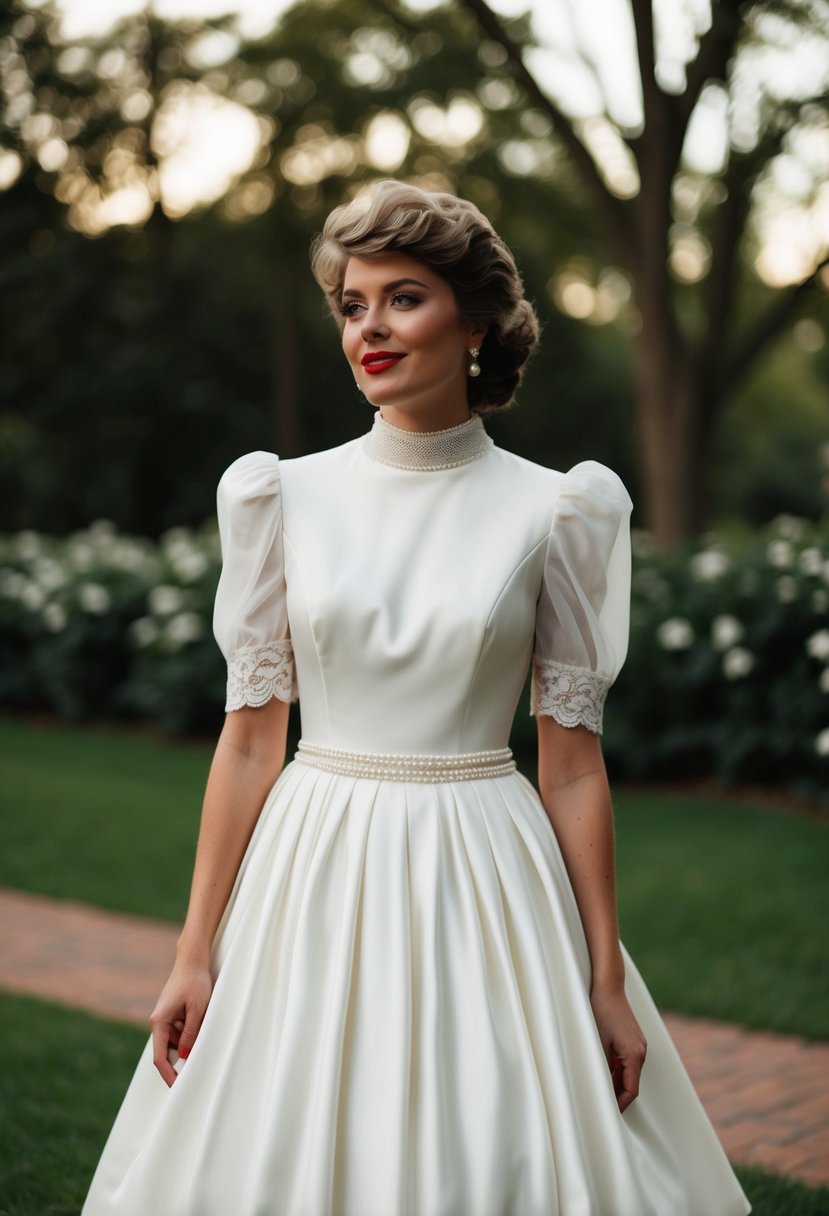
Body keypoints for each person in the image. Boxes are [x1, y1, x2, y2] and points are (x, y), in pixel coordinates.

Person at [83, 179, 751, 1216]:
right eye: (352, 305)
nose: (369, 328)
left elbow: (570, 765)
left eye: (403, 297)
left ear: (475, 321)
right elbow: (252, 744)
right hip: (310, 862)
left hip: (487, 864)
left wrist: (605, 975)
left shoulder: (560, 508)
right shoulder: (276, 496)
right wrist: (194, 949)